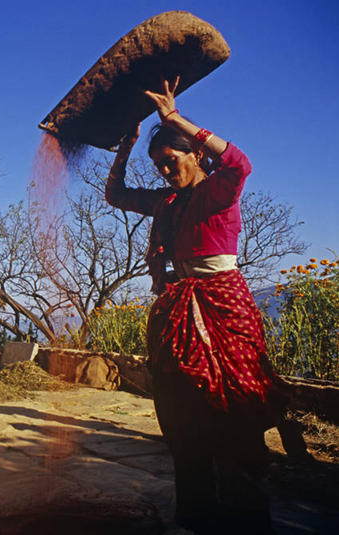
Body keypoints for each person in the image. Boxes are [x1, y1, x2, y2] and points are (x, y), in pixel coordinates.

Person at [105, 77, 289, 533]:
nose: (166, 173)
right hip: (176, 310)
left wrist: (175, 119)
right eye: (159, 167)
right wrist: (124, 149)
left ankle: (246, 517)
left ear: (196, 155)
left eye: (171, 162)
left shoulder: (218, 192)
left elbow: (240, 162)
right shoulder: (167, 202)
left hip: (222, 308)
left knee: (233, 409)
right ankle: (196, 515)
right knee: (181, 412)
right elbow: (116, 195)